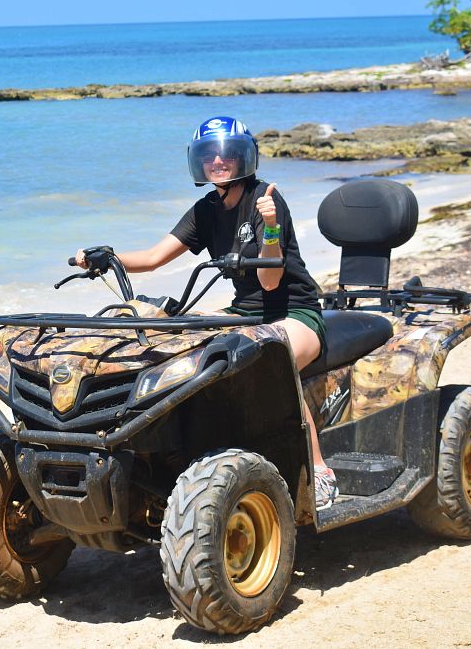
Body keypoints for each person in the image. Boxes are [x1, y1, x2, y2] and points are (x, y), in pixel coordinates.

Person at [74, 116, 338, 510]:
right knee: (180, 344)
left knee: (272, 361)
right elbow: (152, 257)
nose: (218, 161)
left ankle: (319, 472)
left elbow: (269, 282)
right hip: (244, 313)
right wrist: (105, 257)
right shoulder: (206, 210)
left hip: (293, 313)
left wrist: (269, 226)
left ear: (243, 157)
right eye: (209, 155)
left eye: (227, 154)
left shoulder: (266, 199)